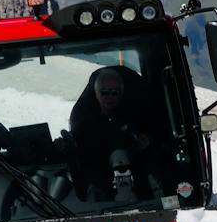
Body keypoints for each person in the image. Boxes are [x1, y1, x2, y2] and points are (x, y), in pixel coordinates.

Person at [66, 66, 165, 201]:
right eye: (105, 92)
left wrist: (148, 140)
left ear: (122, 93)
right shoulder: (84, 125)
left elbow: (160, 142)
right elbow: (74, 154)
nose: (109, 97)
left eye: (115, 92)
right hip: (99, 200)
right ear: (95, 93)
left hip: (141, 197)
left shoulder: (137, 120)